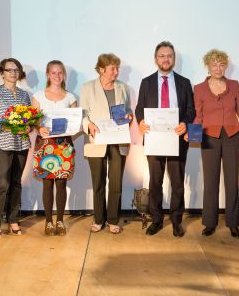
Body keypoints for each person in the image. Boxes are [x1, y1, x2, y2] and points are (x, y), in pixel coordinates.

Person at [135, 41, 195, 237]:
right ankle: (157, 219)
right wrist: (141, 121)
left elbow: (191, 110)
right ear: (155, 59)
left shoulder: (184, 83)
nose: (166, 59)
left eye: (169, 55)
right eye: (162, 55)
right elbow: (139, 109)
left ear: (174, 59)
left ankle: (177, 221)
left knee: (177, 182)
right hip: (154, 139)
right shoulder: (146, 82)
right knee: (155, 182)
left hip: (177, 138)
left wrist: (186, 123)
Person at [186, 49, 239, 238]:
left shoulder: (235, 85)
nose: (218, 68)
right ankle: (209, 222)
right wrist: (192, 135)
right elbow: (198, 115)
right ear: (208, 67)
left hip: (232, 136)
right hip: (209, 136)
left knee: (232, 180)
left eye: (222, 64)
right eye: (214, 64)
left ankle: (233, 222)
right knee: (210, 181)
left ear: (226, 66)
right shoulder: (199, 88)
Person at [80, 53, 133, 234]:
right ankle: (98, 219)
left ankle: (112, 219)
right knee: (98, 182)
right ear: (101, 69)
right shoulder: (88, 88)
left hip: (118, 141)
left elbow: (128, 111)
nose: (116, 72)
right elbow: (83, 115)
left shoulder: (123, 87)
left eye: (117, 68)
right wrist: (89, 125)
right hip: (97, 140)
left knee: (116, 183)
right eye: (113, 68)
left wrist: (129, 116)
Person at [0, 58, 31, 239]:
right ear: (2, 72)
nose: (13, 73)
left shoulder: (24, 95)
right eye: (9, 70)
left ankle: (13, 219)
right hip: (2, 143)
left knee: (17, 183)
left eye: (16, 70)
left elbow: (28, 119)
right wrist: (4, 125)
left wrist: (29, 126)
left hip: (22, 143)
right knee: (2, 184)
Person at [32, 60, 77, 236]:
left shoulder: (70, 97)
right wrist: (38, 127)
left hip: (63, 145)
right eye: (53, 72)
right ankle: (48, 222)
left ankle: (60, 221)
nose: (57, 76)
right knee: (47, 184)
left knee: (61, 183)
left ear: (63, 74)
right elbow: (34, 120)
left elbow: (75, 123)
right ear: (47, 75)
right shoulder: (38, 96)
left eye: (60, 72)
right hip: (45, 144)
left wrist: (73, 128)